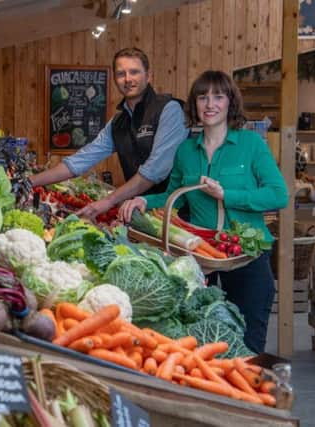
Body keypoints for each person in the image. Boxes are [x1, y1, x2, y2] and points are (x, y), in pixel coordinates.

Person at [119, 70, 289, 353]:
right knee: (202, 343)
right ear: (194, 105)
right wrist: (145, 201)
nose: (210, 104)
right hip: (199, 259)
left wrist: (228, 195)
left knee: (248, 345)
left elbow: (278, 194)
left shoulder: (251, 145)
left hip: (247, 257)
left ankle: (247, 397)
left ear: (230, 102)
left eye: (218, 97)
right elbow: (174, 198)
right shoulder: (186, 150)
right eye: (203, 97)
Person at [28, 47, 188, 220]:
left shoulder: (169, 109)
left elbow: (154, 170)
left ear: (148, 76)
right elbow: (79, 162)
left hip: (175, 212)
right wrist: (29, 182)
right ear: (115, 79)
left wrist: (109, 200)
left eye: (134, 72)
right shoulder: (118, 123)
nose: (128, 79)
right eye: (121, 74)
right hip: (140, 211)